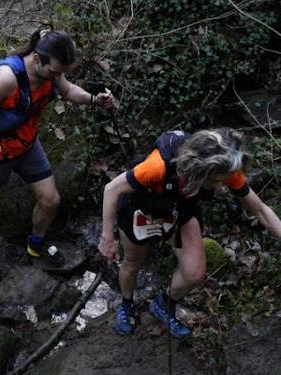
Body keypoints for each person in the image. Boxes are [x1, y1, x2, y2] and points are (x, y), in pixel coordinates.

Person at [0, 29, 114, 287]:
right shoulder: (6, 78)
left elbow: (68, 91)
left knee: (51, 200)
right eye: (55, 72)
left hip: (27, 146)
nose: (58, 77)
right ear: (37, 59)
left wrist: (93, 100)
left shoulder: (52, 70)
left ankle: (36, 245)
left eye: (61, 73)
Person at [98, 128, 281, 337]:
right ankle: (127, 304)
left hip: (180, 211)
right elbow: (112, 189)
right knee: (132, 262)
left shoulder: (227, 168)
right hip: (142, 207)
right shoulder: (157, 166)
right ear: (200, 170)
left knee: (195, 273)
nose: (222, 187)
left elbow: (260, 210)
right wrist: (107, 238)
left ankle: (164, 303)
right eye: (216, 182)